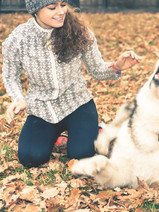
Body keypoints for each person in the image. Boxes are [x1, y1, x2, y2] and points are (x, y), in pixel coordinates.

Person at [2, 0, 140, 168]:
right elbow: (10, 75)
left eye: (63, 4)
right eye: (52, 7)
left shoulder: (79, 32)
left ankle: (92, 130)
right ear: (35, 10)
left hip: (77, 104)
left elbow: (97, 69)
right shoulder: (19, 38)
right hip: (42, 108)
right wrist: (18, 98)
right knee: (31, 157)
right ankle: (57, 136)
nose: (60, 11)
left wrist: (116, 66)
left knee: (81, 155)